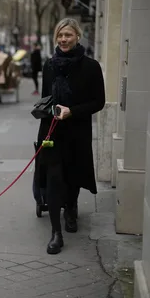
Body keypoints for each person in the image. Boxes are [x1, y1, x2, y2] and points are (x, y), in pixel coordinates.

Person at [34, 18, 105, 255]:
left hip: (77, 131)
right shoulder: (49, 65)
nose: (63, 39)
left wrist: (72, 111)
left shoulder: (91, 67)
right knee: (54, 180)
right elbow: (46, 98)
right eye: (60, 35)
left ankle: (72, 208)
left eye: (68, 35)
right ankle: (56, 233)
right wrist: (43, 110)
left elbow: (99, 102)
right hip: (52, 131)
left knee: (73, 176)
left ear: (77, 37)